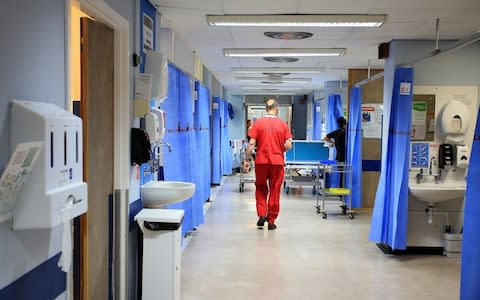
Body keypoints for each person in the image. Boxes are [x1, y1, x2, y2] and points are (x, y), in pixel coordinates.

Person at [243, 99, 292, 230]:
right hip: (277, 162)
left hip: (261, 162)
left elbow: (251, 144)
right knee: (275, 190)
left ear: (266, 109)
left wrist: (247, 160)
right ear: (277, 110)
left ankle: (261, 215)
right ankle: (271, 221)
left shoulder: (257, 124)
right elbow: (288, 144)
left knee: (260, 188)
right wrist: (278, 150)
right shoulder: (283, 125)